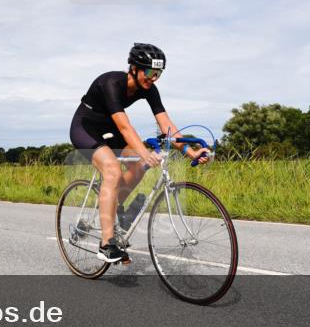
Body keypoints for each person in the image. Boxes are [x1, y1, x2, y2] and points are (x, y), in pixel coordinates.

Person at [69, 43, 209, 264]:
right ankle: (106, 244)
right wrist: (144, 152)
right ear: (134, 68)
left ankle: (113, 210)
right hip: (85, 127)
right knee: (113, 170)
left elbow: (166, 124)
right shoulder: (111, 83)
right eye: (150, 72)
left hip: (110, 128)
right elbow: (125, 127)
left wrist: (189, 152)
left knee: (139, 165)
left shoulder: (149, 89)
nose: (153, 78)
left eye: (158, 74)